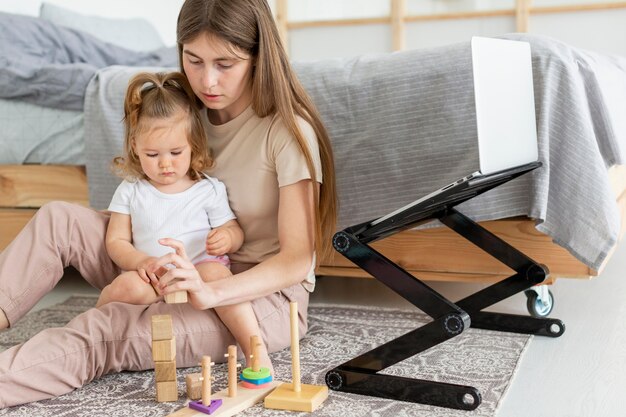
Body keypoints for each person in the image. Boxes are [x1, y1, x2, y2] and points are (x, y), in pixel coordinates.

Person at [0, 0, 336, 408]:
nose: (207, 81)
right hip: (168, 263)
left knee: (109, 328)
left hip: (252, 297)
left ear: (257, 56)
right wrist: (147, 262)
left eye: (225, 64)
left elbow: (297, 260)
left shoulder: (286, 130)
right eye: (193, 60)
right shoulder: (186, 111)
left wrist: (212, 292)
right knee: (59, 219)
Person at [95, 71, 272, 371]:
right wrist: (141, 262)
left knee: (221, 278)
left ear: (193, 145)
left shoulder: (207, 189)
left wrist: (227, 237)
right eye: (153, 154)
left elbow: (233, 230)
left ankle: (256, 354)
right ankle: (92, 333)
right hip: (154, 278)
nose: (165, 164)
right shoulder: (131, 190)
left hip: (201, 272)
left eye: (176, 152)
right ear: (135, 147)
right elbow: (116, 241)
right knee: (125, 287)